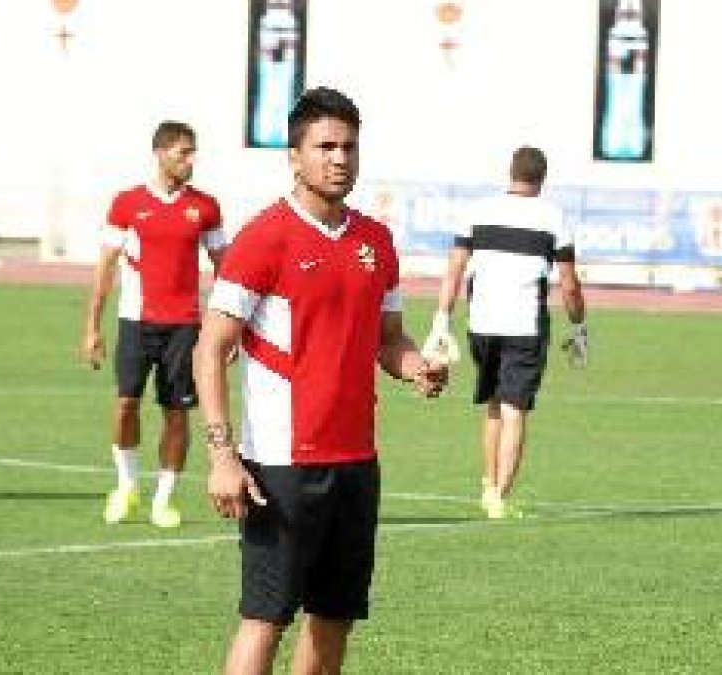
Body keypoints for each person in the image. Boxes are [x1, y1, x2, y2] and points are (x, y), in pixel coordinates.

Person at [194, 86, 448, 675]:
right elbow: (212, 349)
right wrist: (221, 455)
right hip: (281, 463)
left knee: (333, 619)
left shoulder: (376, 242)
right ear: (295, 155)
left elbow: (389, 340)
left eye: (349, 147)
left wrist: (417, 367)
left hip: (357, 459)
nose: (339, 159)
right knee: (266, 619)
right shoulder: (264, 238)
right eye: (325, 146)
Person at [424, 145, 587, 519]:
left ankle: (488, 483)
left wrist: (441, 321)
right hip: (524, 326)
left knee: (495, 404)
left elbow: (454, 270)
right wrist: (579, 326)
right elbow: (569, 284)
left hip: (481, 324)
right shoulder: (553, 217)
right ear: (542, 178)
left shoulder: (477, 212)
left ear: (510, 173)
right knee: (515, 409)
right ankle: (499, 496)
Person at [80, 121, 226, 529]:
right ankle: (126, 485)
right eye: (184, 153)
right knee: (126, 404)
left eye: (194, 152)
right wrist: (92, 326)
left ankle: (164, 499)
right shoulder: (127, 204)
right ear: (161, 154)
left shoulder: (206, 207)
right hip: (135, 322)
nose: (191, 160)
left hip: (184, 327)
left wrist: (227, 332)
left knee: (175, 414)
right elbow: (106, 266)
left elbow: (225, 270)